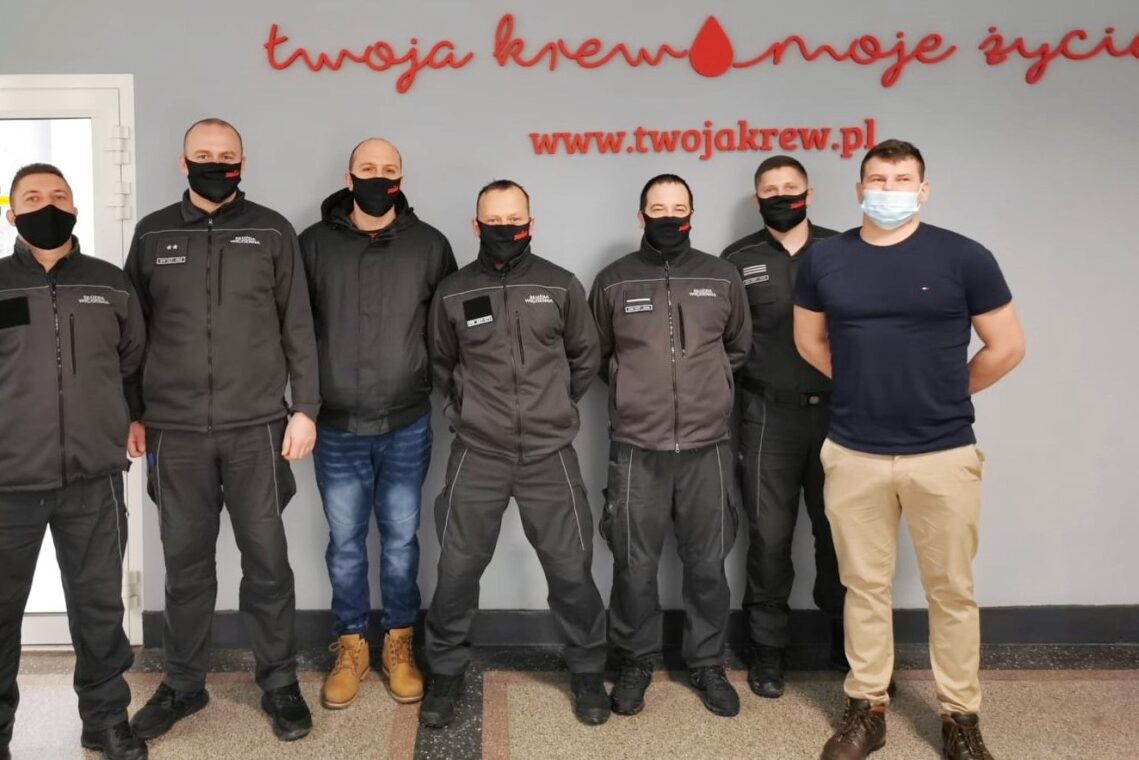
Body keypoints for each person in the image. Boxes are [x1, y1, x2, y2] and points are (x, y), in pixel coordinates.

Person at [793, 139, 1025, 760]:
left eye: (902, 180)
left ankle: (959, 717)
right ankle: (866, 709)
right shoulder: (824, 260)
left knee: (951, 591)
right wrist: (862, 385)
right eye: (878, 179)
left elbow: (1007, 346)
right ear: (859, 188)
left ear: (923, 190)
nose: (889, 190)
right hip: (854, 452)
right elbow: (809, 341)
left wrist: (945, 391)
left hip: (942, 452)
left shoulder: (964, 257)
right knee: (863, 587)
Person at [125, 119, 321, 743]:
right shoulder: (153, 233)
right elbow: (132, 333)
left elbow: (298, 324)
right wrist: (132, 411)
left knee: (267, 563)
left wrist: (305, 407)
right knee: (185, 567)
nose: (216, 163)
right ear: (183, 163)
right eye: (204, 155)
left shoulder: (271, 231)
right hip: (174, 431)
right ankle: (184, 685)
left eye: (227, 155)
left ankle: (280, 682)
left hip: (257, 428)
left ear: (243, 163)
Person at [420, 180, 609, 728]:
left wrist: (553, 406)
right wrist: (472, 408)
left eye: (514, 220)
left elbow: (585, 357)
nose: (505, 229)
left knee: (571, 569)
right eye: (494, 221)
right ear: (476, 225)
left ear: (531, 222)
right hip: (478, 452)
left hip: (549, 454)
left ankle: (587, 669)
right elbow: (441, 363)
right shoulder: (454, 292)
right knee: (457, 570)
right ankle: (446, 671)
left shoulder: (560, 285)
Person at [299, 137, 456, 709]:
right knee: (344, 543)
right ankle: (350, 646)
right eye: (368, 168)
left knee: (400, 542)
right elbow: (294, 329)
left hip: (406, 423)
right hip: (335, 426)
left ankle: (398, 643)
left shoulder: (430, 245)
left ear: (401, 179)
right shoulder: (313, 245)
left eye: (389, 169)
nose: (378, 177)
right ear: (349, 177)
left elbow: (447, 330)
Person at [588, 174, 751, 718]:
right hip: (638, 445)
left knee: (707, 563)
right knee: (634, 564)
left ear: (691, 215)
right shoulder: (612, 281)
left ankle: (706, 662)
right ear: (641, 216)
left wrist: (706, 390)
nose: (668, 217)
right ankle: (635, 660)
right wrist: (638, 391)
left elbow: (737, 347)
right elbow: (598, 354)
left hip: (708, 444)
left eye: (678, 208)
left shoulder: (721, 276)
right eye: (658, 208)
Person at [0, 164, 147, 760]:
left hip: (94, 478)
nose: (48, 205)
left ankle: (105, 721)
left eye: (59, 195)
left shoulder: (110, 284)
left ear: (76, 208)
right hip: (8, 481)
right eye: (33, 197)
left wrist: (132, 417)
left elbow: (133, 363)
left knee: (99, 609)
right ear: (11, 213)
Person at [721, 155, 846, 699]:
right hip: (766, 415)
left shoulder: (844, 250)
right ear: (757, 199)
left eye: (790, 188)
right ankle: (767, 649)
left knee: (840, 534)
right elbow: (724, 341)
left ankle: (851, 643)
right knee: (768, 538)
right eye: (770, 190)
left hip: (840, 415)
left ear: (809, 193)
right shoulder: (736, 260)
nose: (781, 197)